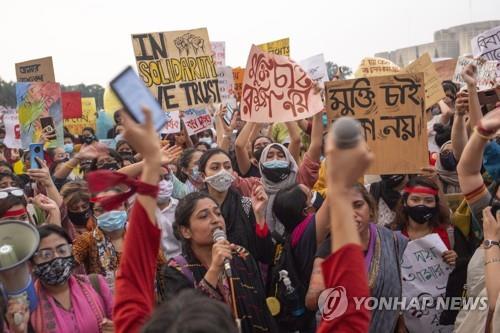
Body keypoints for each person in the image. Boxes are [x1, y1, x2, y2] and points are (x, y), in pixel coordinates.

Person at [160, 191, 278, 333]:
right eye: (204, 216)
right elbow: (185, 321)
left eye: (218, 213)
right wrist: (215, 269)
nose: (216, 220)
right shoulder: (176, 270)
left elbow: (261, 309)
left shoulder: (241, 255)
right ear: (186, 231)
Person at [306, 183, 408, 332]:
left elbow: (407, 282)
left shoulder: (392, 241)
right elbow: (311, 301)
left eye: (358, 205)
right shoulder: (329, 249)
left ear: (371, 210)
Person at [29, 225, 114, 333]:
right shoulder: (28, 305)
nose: (56, 257)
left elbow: (119, 320)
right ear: (32, 264)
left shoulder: (96, 284)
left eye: (62, 250)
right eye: (46, 254)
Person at [198, 148, 274, 264]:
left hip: (246, 276)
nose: (223, 172)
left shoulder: (246, 205)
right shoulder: (195, 208)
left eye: (227, 167)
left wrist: (259, 216)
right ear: (203, 176)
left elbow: (266, 255)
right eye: (215, 168)